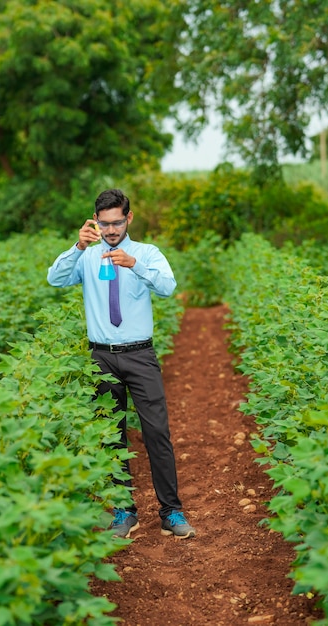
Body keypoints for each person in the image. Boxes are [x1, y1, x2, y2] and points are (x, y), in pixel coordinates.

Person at [47, 188, 196, 540]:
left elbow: (168, 287)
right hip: (101, 356)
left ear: (129, 218)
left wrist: (135, 265)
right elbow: (55, 279)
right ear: (95, 221)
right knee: (111, 436)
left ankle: (171, 512)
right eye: (104, 223)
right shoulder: (86, 255)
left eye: (116, 223)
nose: (111, 230)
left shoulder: (146, 253)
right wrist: (78, 247)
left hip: (140, 354)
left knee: (156, 432)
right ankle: (124, 512)